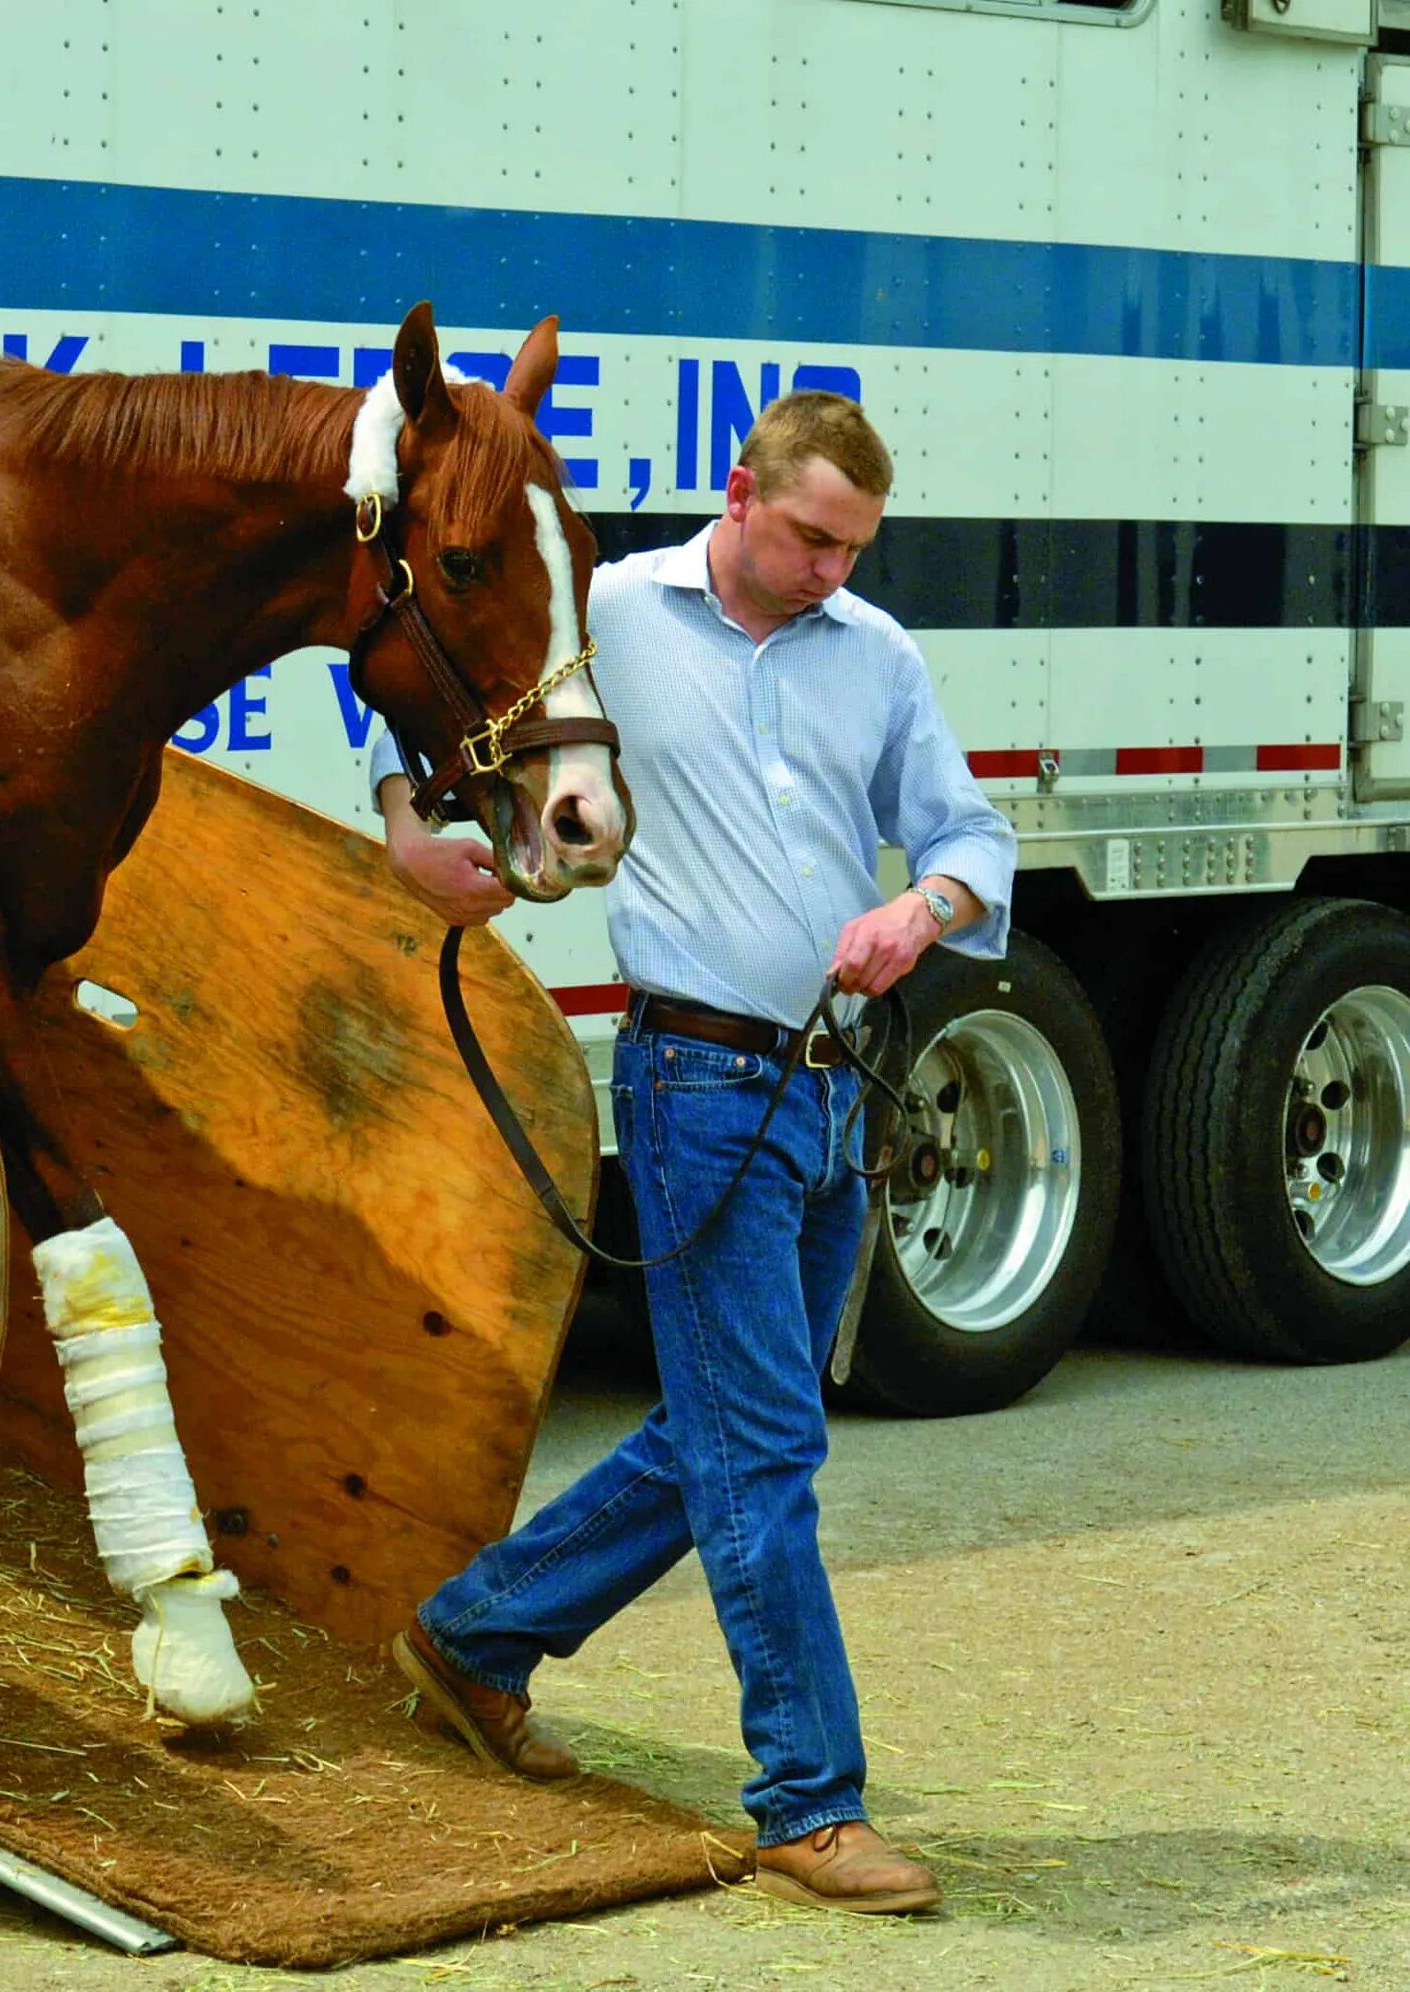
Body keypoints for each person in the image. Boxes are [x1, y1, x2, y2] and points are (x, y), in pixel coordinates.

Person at [374, 392, 1015, 1916]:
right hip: (694, 1081)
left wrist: (920, 910)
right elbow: (429, 690)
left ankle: (472, 1638)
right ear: (740, 494)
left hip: (839, 1086)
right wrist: (410, 822)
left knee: (740, 1425)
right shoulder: (605, 610)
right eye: (809, 538)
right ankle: (809, 1799)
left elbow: (969, 838)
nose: (829, 573)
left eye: (854, 548)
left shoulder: (879, 654)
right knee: (770, 1448)